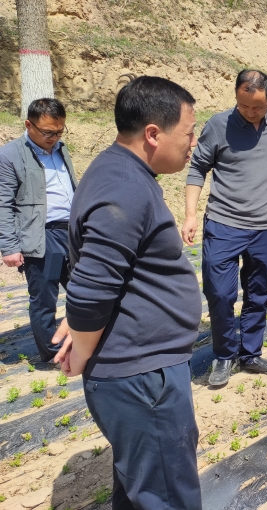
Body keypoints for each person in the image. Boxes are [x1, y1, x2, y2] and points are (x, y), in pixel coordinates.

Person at [55, 76, 203, 508]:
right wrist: (83, 344)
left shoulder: (119, 171)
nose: (193, 143)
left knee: (143, 490)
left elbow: (102, 271)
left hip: (139, 370)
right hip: (142, 378)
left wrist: (82, 327)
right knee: (166, 496)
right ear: (153, 134)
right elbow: (90, 289)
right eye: (189, 133)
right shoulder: (124, 186)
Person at [182, 69, 267, 387]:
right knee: (219, 294)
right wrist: (189, 215)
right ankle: (224, 355)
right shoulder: (218, 125)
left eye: (257, 106)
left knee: (258, 294)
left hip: (264, 228)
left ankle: (251, 355)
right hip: (223, 224)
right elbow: (198, 168)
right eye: (243, 105)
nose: (250, 112)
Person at [0, 98, 76, 363]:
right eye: (47, 132)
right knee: (45, 299)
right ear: (28, 125)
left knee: (85, 289)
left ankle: (87, 342)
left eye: (59, 131)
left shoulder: (60, 149)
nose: (53, 138)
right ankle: (54, 354)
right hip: (41, 234)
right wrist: (9, 246)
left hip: (71, 231)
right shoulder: (10, 155)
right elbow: (3, 203)